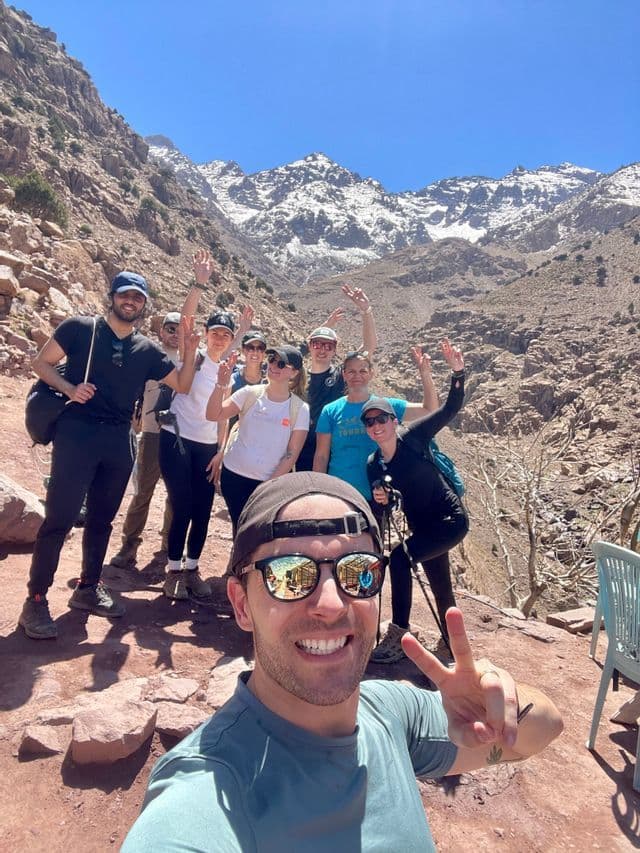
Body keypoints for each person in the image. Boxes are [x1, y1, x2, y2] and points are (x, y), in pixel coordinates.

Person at [122, 472, 563, 852]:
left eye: (358, 572)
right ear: (241, 605)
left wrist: (503, 706)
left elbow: (544, 731)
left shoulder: (391, 714)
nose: (332, 604)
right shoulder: (208, 790)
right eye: (289, 574)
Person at [19, 272, 200, 640]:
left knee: (102, 520)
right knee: (59, 519)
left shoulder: (147, 350)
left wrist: (190, 348)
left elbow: (181, 384)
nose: (130, 301)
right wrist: (70, 387)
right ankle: (35, 601)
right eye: (125, 295)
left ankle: (87, 588)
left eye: (138, 297)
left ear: (143, 304)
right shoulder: (80, 329)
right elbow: (41, 364)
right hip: (77, 433)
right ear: (112, 296)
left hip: (119, 439)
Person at [364, 339, 469, 662]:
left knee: (400, 558)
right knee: (440, 583)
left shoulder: (414, 438)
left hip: (451, 520)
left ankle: (399, 632)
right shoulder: (374, 464)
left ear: (394, 422)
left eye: (382, 419)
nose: (377, 425)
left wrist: (457, 372)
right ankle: (454, 644)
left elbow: (450, 408)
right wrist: (381, 500)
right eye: (370, 422)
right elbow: (383, 510)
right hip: (423, 527)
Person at [159, 250, 252, 601]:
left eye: (226, 335)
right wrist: (198, 283)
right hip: (176, 439)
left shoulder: (228, 368)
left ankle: (192, 568)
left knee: (202, 509)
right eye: (215, 331)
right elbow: (185, 319)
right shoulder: (192, 355)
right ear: (207, 333)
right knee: (182, 504)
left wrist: (220, 450)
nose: (220, 338)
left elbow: (225, 413)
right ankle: (172, 571)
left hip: (206, 447)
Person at [206, 344, 309, 534]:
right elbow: (214, 414)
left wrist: (268, 486)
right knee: (240, 528)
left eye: (281, 363)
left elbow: (291, 453)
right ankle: (238, 562)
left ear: (293, 373)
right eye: (271, 360)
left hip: (267, 484)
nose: (273, 366)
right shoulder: (250, 393)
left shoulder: (300, 409)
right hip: (233, 476)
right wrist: (221, 383)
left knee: (258, 533)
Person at [313, 346, 439, 500]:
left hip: (378, 495)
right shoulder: (330, 410)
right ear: (344, 375)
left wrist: (425, 374)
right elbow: (321, 456)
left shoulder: (386, 406)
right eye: (351, 371)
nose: (357, 376)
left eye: (363, 371)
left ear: (371, 373)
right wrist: (318, 491)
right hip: (339, 494)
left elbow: (430, 409)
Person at [109, 311, 181, 569]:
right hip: (151, 433)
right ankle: (129, 544)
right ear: (161, 331)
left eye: (179, 329)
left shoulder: (191, 360)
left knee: (175, 495)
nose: (175, 334)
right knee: (143, 492)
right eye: (170, 328)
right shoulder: (149, 355)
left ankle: (167, 547)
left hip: (180, 436)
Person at [296, 284, 378, 472]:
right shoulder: (298, 377)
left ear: (334, 350)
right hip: (303, 449)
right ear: (310, 346)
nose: (322, 350)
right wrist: (327, 326)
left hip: (333, 449)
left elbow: (369, 347)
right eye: (318, 345)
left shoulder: (341, 374)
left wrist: (366, 311)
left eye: (328, 346)